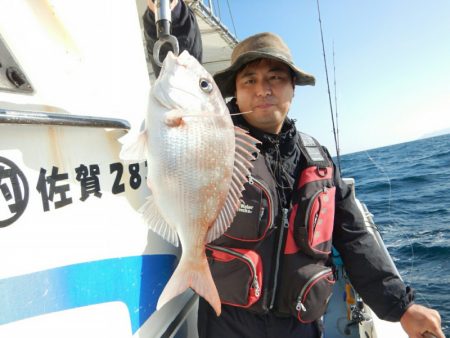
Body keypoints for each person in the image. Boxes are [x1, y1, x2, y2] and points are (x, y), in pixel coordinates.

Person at [143, 1, 444, 337]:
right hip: (228, 323)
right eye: (249, 80)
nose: (263, 89)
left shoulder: (316, 159)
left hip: (301, 325)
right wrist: (176, 15)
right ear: (235, 93)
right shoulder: (215, 140)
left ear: (292, 89)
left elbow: (354, 236)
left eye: (276, 78)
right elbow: (184, 86)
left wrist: (401, 307)